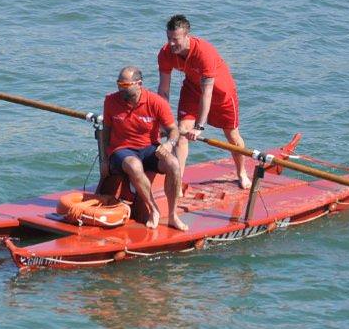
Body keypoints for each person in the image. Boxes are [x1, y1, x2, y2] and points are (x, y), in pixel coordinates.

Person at [157, 14, 252, 189]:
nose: (171, 44)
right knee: (181, 133)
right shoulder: (165, 53)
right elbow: (163, 89)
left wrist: (199, 127)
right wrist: (162, 121)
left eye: (175, 39)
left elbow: (207, 93)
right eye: (168, 38)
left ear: (188, 36)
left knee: (232, 136)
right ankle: (178, 181)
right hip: (193, 89)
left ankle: (242, 172)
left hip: (221, 94)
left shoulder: (204, 53)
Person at [101, 66, 188, 231]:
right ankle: (154, 209)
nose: (120, 88)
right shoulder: (110, 101)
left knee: (174, 164)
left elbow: (173, 130)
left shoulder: (156, 102)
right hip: (121, 150)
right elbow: (106, 131)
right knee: (134, 165)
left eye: (125, 85)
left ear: (139, 84)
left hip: (149, 148)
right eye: (119, 83)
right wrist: (105, 160)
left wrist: (169, 144)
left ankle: (172, 215)